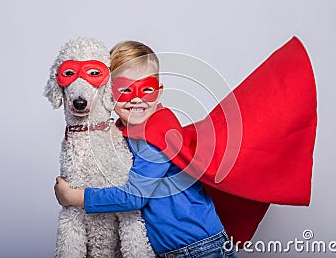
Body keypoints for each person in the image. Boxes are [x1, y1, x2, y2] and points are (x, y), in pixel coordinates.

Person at [54, 41, 237, 258]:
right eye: (124, 90)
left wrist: (74, 197)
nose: (137, 99)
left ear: (158, 92)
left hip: (199, 248)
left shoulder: (158, 136)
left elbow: (135, 197)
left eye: (146, 89)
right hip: (173, 250)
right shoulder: (126, 131)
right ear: (108, 93)